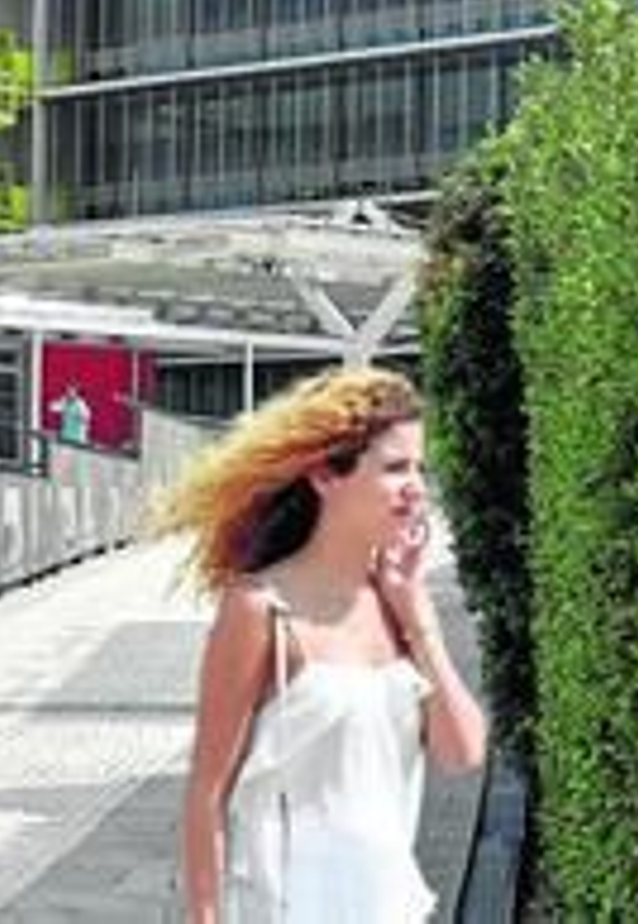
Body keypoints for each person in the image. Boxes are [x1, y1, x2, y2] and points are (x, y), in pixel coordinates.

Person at [153, 367, 486, 923]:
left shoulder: (396, 604)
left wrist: (418, 616)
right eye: (396, 468)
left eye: (420, 468)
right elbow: (207, 792)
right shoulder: (261, 609)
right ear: (326, 476)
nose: (417, 487)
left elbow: (464, 753)